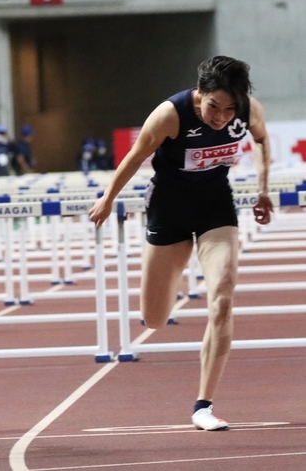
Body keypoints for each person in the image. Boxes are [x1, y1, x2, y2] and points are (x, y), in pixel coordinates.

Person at [88, 56, 273, 431]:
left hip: (215, 206)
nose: (221, 117)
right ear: (199, 94)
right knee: (154, 319)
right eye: (213, 107)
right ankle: (166, 284)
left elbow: (262, 140)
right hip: (168, 208)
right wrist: (108, 198)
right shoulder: (170, 114)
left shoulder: (248, 109)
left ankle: (203, 405)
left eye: (229, 109)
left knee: (222, 294)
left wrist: (264, 189)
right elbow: (135, 154)